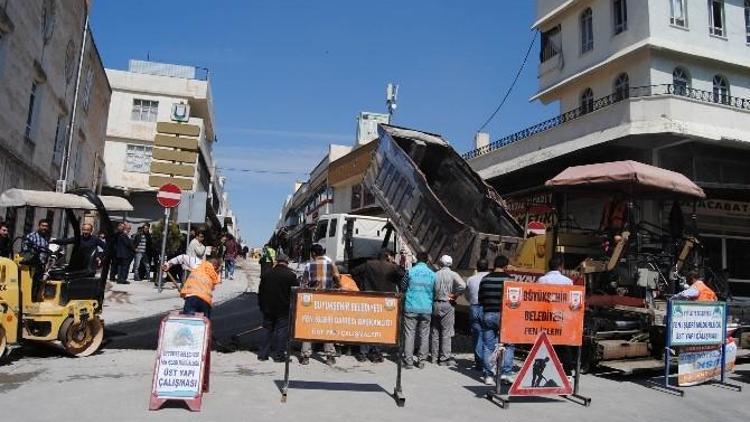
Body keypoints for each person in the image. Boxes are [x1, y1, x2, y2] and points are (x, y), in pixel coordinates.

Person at [350, 249, 405, 363]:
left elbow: (353, 271)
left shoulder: (369, 264)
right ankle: (376, 352)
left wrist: (361, 284)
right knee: (380, 326)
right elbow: (402, 273)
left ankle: (363, 352)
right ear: (388, 256)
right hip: (385, 301)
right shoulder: (392, 267)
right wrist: (393, 263)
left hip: (370, 298)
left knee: (367, 326)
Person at [299, 243, 340, 365]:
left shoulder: (309, 265)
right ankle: (330, 357)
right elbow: (337, 278)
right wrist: (336, 286)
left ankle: (305, 356)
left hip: (312, 301)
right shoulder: (331, 264)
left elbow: (304, 284)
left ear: (313, 253)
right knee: (327, 327)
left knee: (308, 327)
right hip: (327, 301)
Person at [478, 255, 515, 385]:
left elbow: (480, 300)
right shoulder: (510, 280)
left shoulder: (485, 279)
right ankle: (506, 373)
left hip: (488, 314)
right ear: (506, 266)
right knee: (509, 345)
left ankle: (489, 375)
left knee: (488, 346)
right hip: (506, 316)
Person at [257, 253, 298, 362]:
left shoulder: (267, 273)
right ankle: (279, 355)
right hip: (283, 308)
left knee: (267, 330)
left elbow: (260, 291)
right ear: (286, 262)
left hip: (267, 307)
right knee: (282, 332)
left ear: (276, 261)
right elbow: (295, 292)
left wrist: (261, 305)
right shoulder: (290, 275)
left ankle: (262, 354)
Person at [537, 255, 574, 374]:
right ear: (561, 266)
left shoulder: (542, 280)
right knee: (564, 344)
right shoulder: (568, 281)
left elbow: (538, 299)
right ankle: (567, 371)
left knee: (547, 343)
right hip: (563, 317)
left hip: (546, 316)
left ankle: (547, 369)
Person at [400, 252, 436, 369]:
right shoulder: (432, 274)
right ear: (427, 261)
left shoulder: (410, 272)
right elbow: (435, 290)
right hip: (426, 307)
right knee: (424, 335)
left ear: (416, 259)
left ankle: (409, 361)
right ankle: (421, 361)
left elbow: (403, 286)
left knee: (410, 334)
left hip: (411, 306)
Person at [430, 255, 466, 366]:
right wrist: (455, 295)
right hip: (447, 303)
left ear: (441, 263)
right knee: (446, 332)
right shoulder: (453, 274)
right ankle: (444, 358)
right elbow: (463, 285)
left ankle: (434, 357)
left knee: (435, 331)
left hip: (435, 303)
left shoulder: (435, 274)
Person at [162, 254, 222, 318]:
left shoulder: (198, 263)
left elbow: (182, 257)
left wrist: (167, 264)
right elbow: (208, 288)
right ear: (215, 266)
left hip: (192, 298)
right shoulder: (214, 275)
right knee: (203, 324)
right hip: (206, 301)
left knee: (189, 321)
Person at [464, 258, 490, 371]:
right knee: (489, 335)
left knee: (477, 335)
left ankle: (479, 363)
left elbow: (467, 295)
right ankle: (488, 362)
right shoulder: (490, 278)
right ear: (488, 267)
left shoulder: (471, 279)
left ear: (477, 267)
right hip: (487, 308)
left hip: (474, 307)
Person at [22, 219, 51, 301]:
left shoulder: (46, 238)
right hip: (32, 264)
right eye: (43, 226)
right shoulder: (32, 236)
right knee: (30, 283)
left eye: (46, 226)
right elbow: (25, 249)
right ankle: (28, 300)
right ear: (39, 226)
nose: (44, 228)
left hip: (41, 264)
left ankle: (34, 299)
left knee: (38, 283)